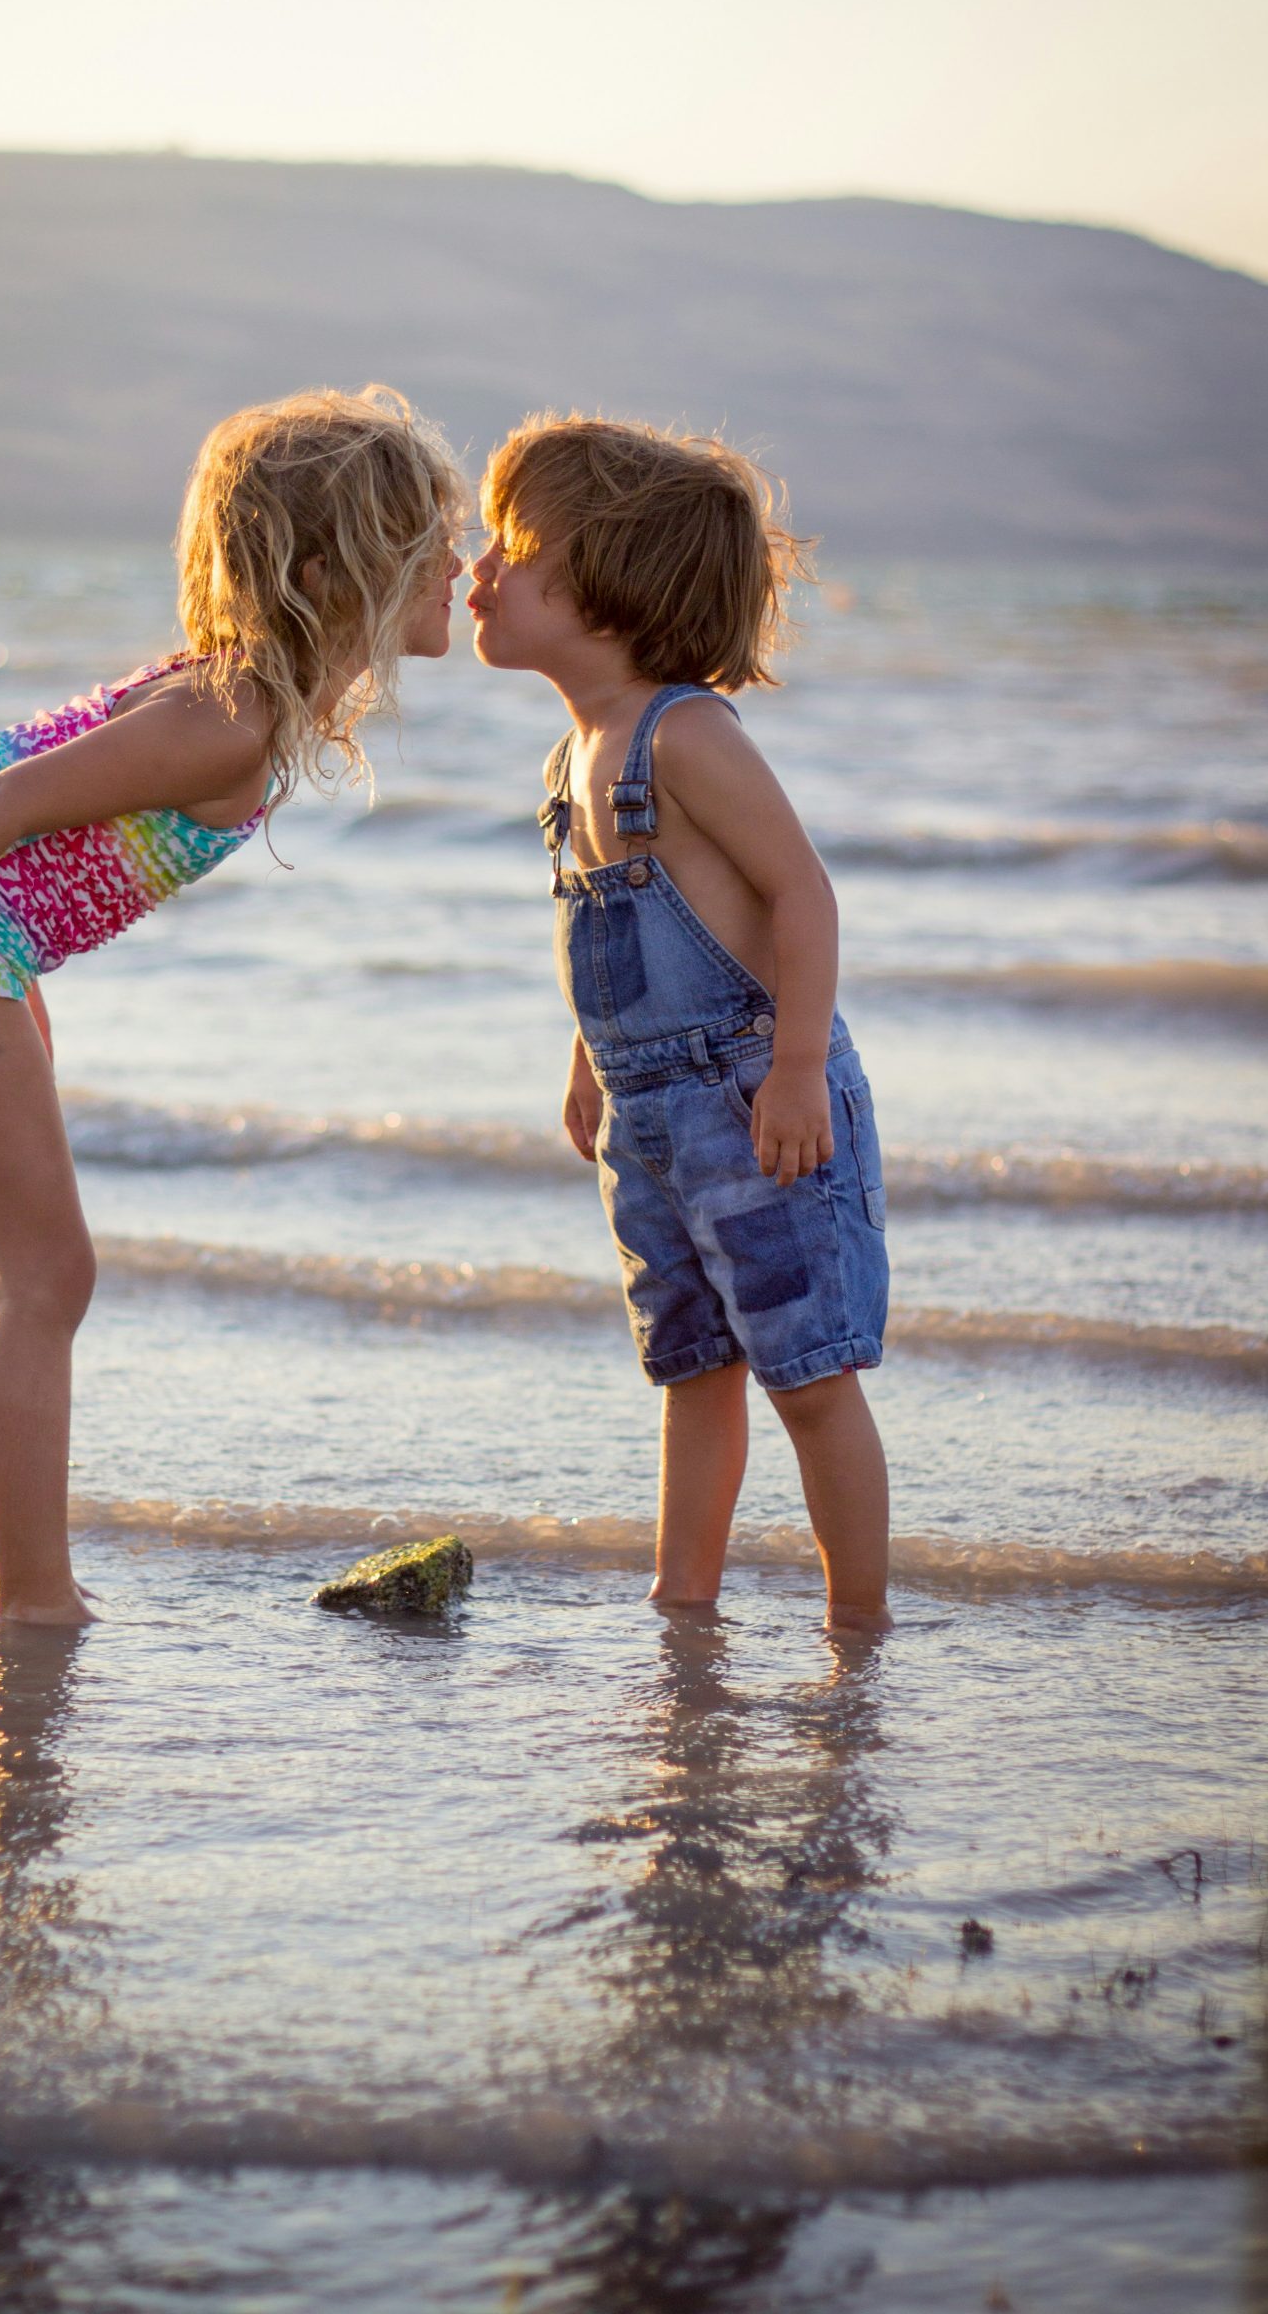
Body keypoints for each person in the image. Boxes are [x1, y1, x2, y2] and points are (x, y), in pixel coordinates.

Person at [0, 387, 467, 1626]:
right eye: (434, 540)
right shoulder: (223, 720)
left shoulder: (234, 699)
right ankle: (35, 1601)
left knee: (8, 1287)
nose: (464, 562)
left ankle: (25, 1581)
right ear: (345, 566)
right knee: (46, 1279)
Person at [469, 415, 892, 1634]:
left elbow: (799, 893)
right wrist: (589, 1056)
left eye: (511, 547)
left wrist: (801, 1069)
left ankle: (858, 1619)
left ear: (606, 581)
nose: (476, 571)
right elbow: (614, 939)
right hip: (647, 1115)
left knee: (810, 1375)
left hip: (756, 1105)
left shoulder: (687, 734)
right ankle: (683, 1604)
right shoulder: (570, 758)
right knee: (690, 1367)